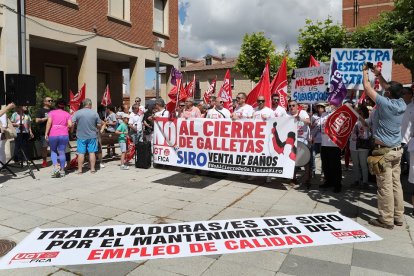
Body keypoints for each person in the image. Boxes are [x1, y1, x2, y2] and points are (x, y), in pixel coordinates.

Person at [363, 64, 406, 229]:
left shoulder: (385, 103)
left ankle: (386, 219)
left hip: (384, 152)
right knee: (396, 184)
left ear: (388, 93)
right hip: (397, 150)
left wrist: (365, 72)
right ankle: (398, 217)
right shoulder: (401, 103)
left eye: (386, 89)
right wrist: (378, 74)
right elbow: (388, 87)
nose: (384, 90)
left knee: (385, 187)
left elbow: (367, 88)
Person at [71, 98, 101, 174]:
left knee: (81, 153)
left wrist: (71, 132)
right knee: (92, 152)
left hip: (81, 136)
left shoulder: (77, 113)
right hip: (92, 136)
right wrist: (95, 128)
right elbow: (99, 124)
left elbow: (72, 123)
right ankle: (93, 169)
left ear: (83, 104)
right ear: (90, 105)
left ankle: (80, 170)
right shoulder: (95, 113)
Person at [45, 99, 72, 178]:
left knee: (53, 151)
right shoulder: (67, 114)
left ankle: (56, 167)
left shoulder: (52, 113)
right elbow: (70, 125)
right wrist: (65, 128)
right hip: (64, 134)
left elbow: (49, 122)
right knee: (62, 152)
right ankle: (62, 171)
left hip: (53, 133)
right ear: (64, 106)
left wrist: (46, 133)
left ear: (56, 105)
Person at [287, 100, 311, 187]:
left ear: (297, 106)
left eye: (293, 105)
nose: (291, 107)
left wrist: (300, 118)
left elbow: (308, 122)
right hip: (293, 141)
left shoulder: (302, 112)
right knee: (293, 161)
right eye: (290, 106)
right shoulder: (287, 115)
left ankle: (307, 179)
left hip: (303, 140)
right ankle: (293, 179)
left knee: (306, 161)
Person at [319, 105, 342, 193]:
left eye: (333, 103)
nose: (330, 104)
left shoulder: (339, 114)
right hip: (324, 143)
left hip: (334, 144)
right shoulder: (324, 114)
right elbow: (320, 126)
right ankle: (328, 181)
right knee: (326, 165)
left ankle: (337, 184)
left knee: (335, 166)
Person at [349, 106, 371, 189]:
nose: (358, 113)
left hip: (363, 145)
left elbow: (366, 125)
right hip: (353, 145)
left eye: (360, 112)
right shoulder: (353, 120)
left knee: (363, 164)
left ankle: (365, 182)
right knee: (355, 164)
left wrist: (359, 117)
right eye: (358, 112)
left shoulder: (367, 120)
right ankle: (356, 180)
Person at [35, 97, 53, 167]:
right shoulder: (40, 111)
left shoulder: (53, 110)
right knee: (44, 147)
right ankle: (44, 161)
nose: (51, 102)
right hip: (43, 132)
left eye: (52, 100)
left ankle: (54, 160)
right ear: (44, 102)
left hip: (53, 131)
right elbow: (36, 120)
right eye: (49, 100)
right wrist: (46, 118)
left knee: (54, 147)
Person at [310, 103, 326, 177]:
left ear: (324, 108)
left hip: (323, 140)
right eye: (318, 107)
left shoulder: (326, 116)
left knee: (323, 156)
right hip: (314, 139)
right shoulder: (313, 116)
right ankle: (313, 170)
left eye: (321, 107)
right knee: (313, 156)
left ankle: (323, 171)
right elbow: (310, 126)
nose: (320, 108)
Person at [400, 87, 414, 174]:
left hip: (410, 142)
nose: (402, 95)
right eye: (402, 93)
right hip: (398, 142)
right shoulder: (399, 106)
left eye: (404, 93)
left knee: (412, 166)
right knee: (397, 167)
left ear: (410, 95)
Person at [0, 103, 15, 168]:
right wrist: (8, 107)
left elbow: (4, 123)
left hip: (2, 132)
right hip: (2, 131)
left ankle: (2, 166)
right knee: (1, 149)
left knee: (1, 149)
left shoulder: (3, 112)